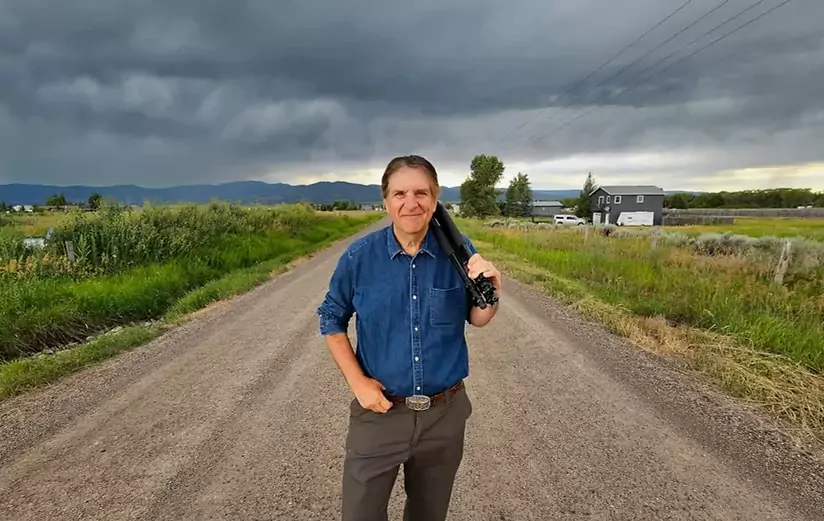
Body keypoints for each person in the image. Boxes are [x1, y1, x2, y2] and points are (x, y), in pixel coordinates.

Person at [316, 154, 501, 521]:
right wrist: (358, 383)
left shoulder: (458, 251)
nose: (411, 202)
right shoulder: (359, 257)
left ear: (435, 199)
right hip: (379, 412)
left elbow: (478, 318)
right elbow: (330, 317)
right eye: (400, 193)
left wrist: (493, 290)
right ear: (386, 200)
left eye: (421, 192)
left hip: (444, 416)